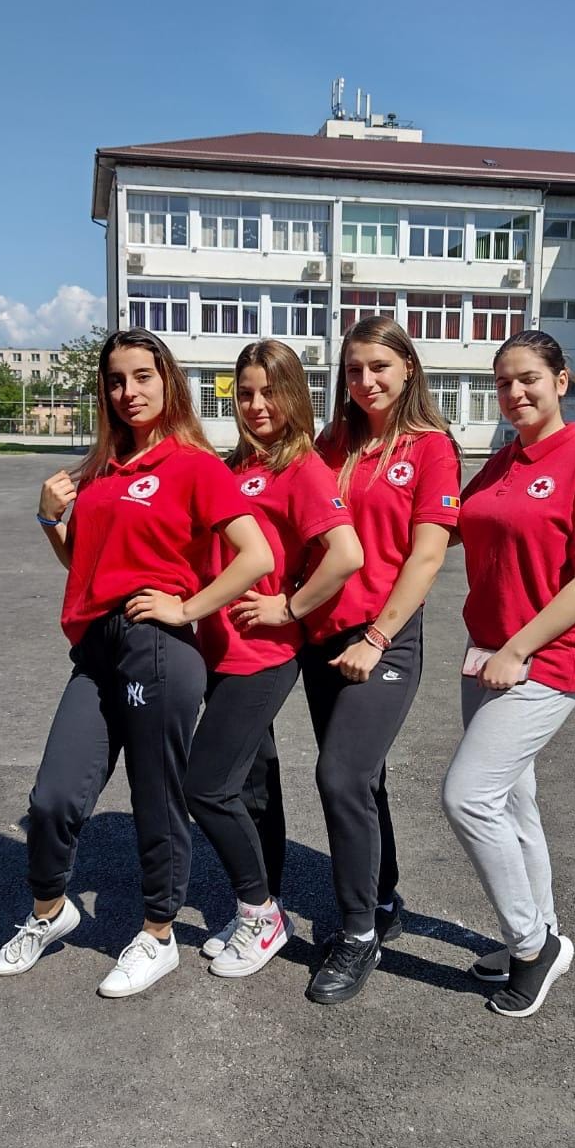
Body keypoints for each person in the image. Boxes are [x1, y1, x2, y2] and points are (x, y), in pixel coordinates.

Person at [0, 330, 273, 998]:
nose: (129, 391)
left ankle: (158, 933)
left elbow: (256, 554)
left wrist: (187, 607)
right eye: (116, 380)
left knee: (156, 797)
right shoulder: (101, 469)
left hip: (156, 646)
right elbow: (85, 566)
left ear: (167, 380)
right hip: (96, 648)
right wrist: (49, 520)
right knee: (54, 797)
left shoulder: (194, 464)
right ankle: (50, 912)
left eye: (142, 376)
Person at [442, 330, 575, 1019]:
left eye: (528, 379)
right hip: (487, 653)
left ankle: (529, 945)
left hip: (543, 660)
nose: (515, 392)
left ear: (561, 380)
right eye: (503, 383)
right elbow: (451, 524)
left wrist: (517, 648)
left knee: (468, 796)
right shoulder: (503, 462)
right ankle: (543, 931)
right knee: (515, 803)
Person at [184, 341, 363, 979]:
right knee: (252, 787)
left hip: (261, 653)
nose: (256, 405)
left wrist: (289, 608)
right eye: (245, 393)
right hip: (218, 648)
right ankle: (262, 905)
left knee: (207, 786)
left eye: (270, 392)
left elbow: (346, 554)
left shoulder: (302, 468)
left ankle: (262, 916)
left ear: (295, 396)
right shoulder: (235, 466)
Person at [300, 315, 461, 1005]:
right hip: (322, 637)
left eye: (379, 366)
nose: (365, 380)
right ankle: (384, 897)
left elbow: (427, 556)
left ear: (408, 369)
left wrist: (376, 638)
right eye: (354, 369)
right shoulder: (332, 441)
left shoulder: (431, 448)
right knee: (365, 779)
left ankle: (359, 932)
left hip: (383, 637)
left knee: (339, 776)